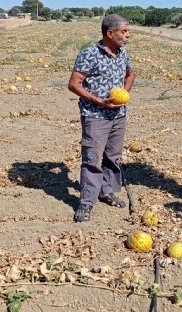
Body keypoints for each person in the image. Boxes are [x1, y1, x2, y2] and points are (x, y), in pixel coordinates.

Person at [68, 14, 134, 223]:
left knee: (113, 157)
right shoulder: (89, 54)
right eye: (124, 32)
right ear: (110, 33)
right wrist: (99, 101)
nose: (128, 36)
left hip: (118, 116)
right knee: (92, 159)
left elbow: (130, 75)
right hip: (95, 116)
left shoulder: (123, 54)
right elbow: (74, 84)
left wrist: (125, 94)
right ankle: (87, 202)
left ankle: (105, 191)